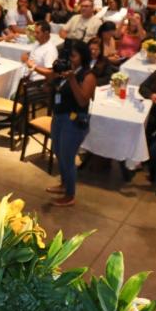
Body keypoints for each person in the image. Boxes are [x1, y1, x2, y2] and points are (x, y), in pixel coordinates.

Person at [45, 40, 97, 207]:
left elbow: (82, 101)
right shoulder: (65, 71)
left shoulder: (88, 76)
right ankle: (64, 184)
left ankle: (70, 195)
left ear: (83, 57)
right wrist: (54, 76)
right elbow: (49, 88)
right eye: (68, 56)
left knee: (67, 158)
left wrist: (72, 79)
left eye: (73, 56)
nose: (70, 59)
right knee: (59, 153)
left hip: (73, 121)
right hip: (58, 117)